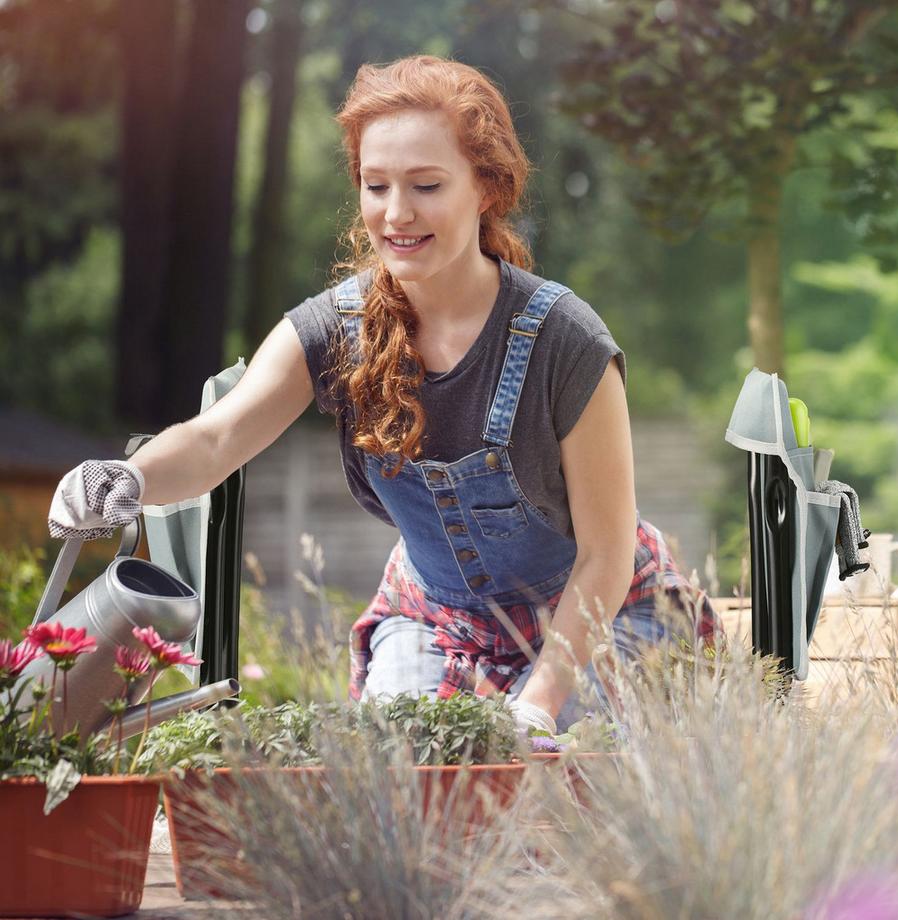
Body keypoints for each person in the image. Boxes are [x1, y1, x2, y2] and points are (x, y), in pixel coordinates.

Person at [48, 55, 719, 736]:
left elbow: (604, 555)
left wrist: (537, 704)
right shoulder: (334, 330)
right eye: (376, 186)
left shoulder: (566, 342)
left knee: (556, 783)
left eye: (426, 185)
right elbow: (216, 438)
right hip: (436, 618)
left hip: (601, 612)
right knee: (399, 783)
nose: (396, 214)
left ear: (487, 187)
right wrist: (127, 476)